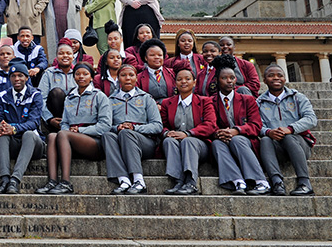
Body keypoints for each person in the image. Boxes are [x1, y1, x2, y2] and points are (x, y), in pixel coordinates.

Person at [36, 63, 111, 194]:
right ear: (74, 77)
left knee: (63, 134)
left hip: (94, 142)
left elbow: (105, 126)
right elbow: (64, 122)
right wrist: (68, 130)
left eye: (85, 74)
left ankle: (66, 183)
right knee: (52, 136)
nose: (81, 77)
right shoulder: (70, 98)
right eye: (77, 74)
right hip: (71, 140)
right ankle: (52, 181)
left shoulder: (99, 96)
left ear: (92, 77)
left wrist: (79, 131)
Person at [257, 64, 318, 196]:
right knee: (265, 140)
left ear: (285, 79)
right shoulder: (259, 102)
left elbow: (311, 119)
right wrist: (268, 132)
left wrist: (290, 129)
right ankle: (277, 182)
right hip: (275, 147)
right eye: (271, 75)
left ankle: (304, 183)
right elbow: (257, 125)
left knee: (288, 137)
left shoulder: (298, 97)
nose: (276, 78)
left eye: (280, 75)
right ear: (265, 80)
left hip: (299, 145)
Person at [102, 64, 163, 195]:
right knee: (107, 135)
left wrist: (135, 128)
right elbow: (105, 125)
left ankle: (139, 180)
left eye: (131, 75)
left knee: (126, 133)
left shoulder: (146, 98)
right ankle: (123, 180)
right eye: (123, 75)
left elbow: (157, 126)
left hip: (144, 142)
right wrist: (117, 127)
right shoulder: (110, 100)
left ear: (136, 78)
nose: (127, 78)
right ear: (118, 79)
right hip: (120, 138)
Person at [211, 67, 270, 195]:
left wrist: (237, 130)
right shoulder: (211, 101)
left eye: (232, 78)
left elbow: (256, 125)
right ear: (217, 80)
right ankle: (237, 181)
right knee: (216, 143)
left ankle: (260, 181)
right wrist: (219, 133)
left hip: (245, 140)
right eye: (224, 78)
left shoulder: (247, 100)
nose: (229, 81)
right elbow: (209, 124)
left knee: (237, 139)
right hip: (222, 140)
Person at [160, 67, 217, 195]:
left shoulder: (205, 102)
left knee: (188, 141)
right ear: (175, 83)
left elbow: (210, 125)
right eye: (179, 79)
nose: (183, 82)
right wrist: (167, 132)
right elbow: (162, 125)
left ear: (194, 82)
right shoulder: (167, 103)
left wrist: (187, 134)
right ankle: (178, 181)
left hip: (199, 145)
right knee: (168, 141)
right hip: (175, 143)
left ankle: (191, 183)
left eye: (187, 79)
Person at [0, 61, 44, 194]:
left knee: (29, 134)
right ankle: (4, 179)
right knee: (1, 133)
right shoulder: (3, 96)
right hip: (13, 143)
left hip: (33, 144)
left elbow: (34, 122)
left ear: (27, 77)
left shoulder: (35, 95)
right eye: (13, 76)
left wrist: (13, 128)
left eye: (20, 75)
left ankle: (14, 180)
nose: (17, 79)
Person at [39, 40, 79, 133]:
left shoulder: (79, 72)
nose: (65, 56)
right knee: (57, 92)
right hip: (54, 116)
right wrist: (49, 118)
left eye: (68, 53)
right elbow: (41, 98)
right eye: (61, 53)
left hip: (75, 118)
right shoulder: (49, 73)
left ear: (73, 56)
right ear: (56, 57)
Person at [136, 38, 176, 105]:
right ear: (146, 57)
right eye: (152, 55)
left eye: (160, 55)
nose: (157, 57)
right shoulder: (139, 78)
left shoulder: (172, 73)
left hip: (170, 109)